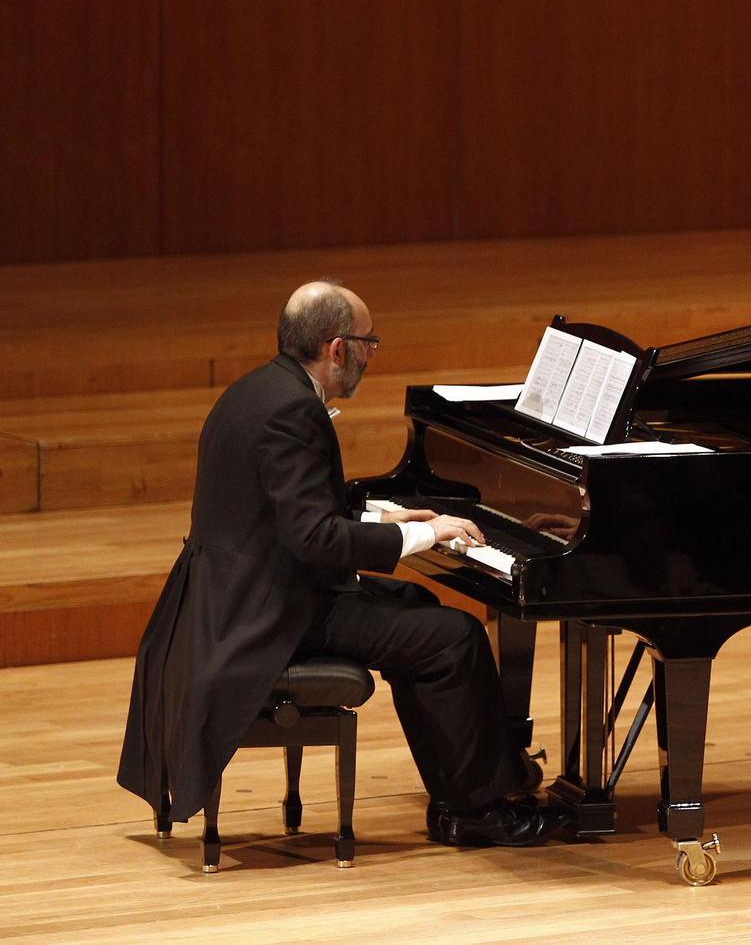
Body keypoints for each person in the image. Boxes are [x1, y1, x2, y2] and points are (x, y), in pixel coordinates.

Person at [118, 280, 566, 848]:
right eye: (367, 342)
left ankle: (465, 790)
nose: (372, 355)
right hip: (269, 615)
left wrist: (386, 520)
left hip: (240, 595)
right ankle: (478, 810)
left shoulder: (258, 388)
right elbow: (314, 538)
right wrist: (423, 533)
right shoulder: (293, 411)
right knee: (453, 638)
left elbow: (288, 516)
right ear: (337, 348)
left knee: (420, 607)